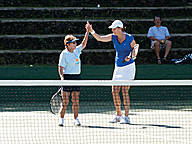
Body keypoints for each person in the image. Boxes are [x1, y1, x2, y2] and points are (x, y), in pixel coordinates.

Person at [86, 20, 139, 124]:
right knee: (114, 91)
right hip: (118, 68)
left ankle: (126, 116)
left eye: (114, 28)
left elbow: (135, 49)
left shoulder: (129, 38)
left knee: (124, 91)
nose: (113, 30)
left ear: (120, 28)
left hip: (129, 67)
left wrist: (131, 56)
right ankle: (118, 115)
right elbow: (100, 38)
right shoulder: (113, 37)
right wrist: (92, 31)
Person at [58, 22, 89, 126]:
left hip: (77, 77)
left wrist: (87, 32)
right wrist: (62, 78)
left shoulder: (77, 51)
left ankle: (76, 119)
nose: (76, 44)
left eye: (76, 42)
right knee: (65, 102)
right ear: (68, 44)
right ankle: (61, 118)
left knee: (76, 100)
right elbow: (60, 67)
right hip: (67, 78)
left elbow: (84, 44)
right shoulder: (64, 54)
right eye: (73, 43)